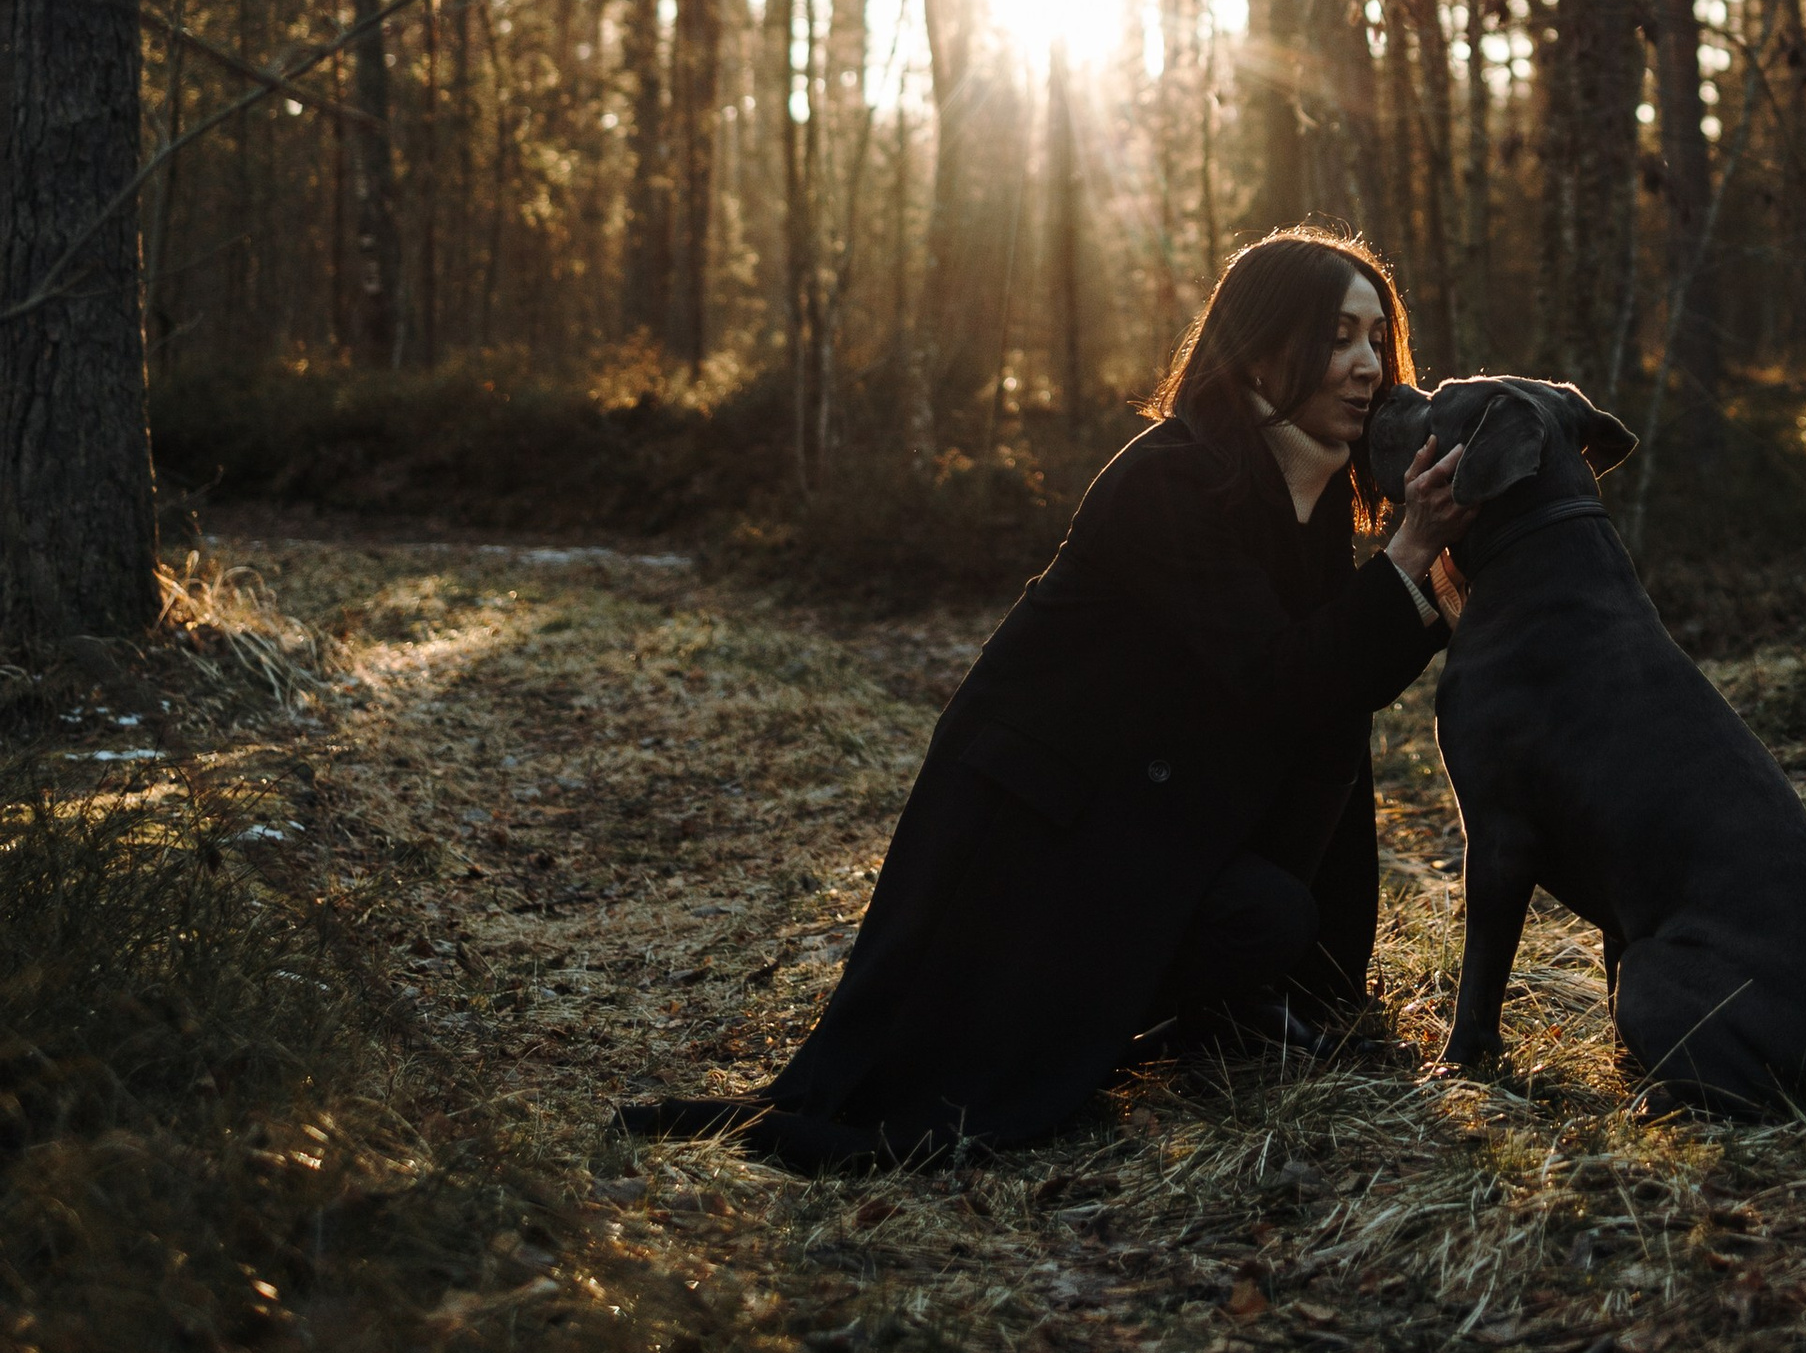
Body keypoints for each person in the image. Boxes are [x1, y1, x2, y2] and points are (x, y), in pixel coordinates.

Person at [613, 225, 1475, 1175]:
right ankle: (1124, 1014)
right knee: (1234, 932)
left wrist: (1440, 578)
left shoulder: (1302, 493)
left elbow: (1332, 691)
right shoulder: (1171, 479)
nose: (1369, 367)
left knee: (1273, 910)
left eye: (1377, 340)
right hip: (1037, 827)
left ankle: (1248, 1004)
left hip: (1142, 812)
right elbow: (1283, 678)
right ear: (1261, 346)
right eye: (1338, 338)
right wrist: (1407, 550)